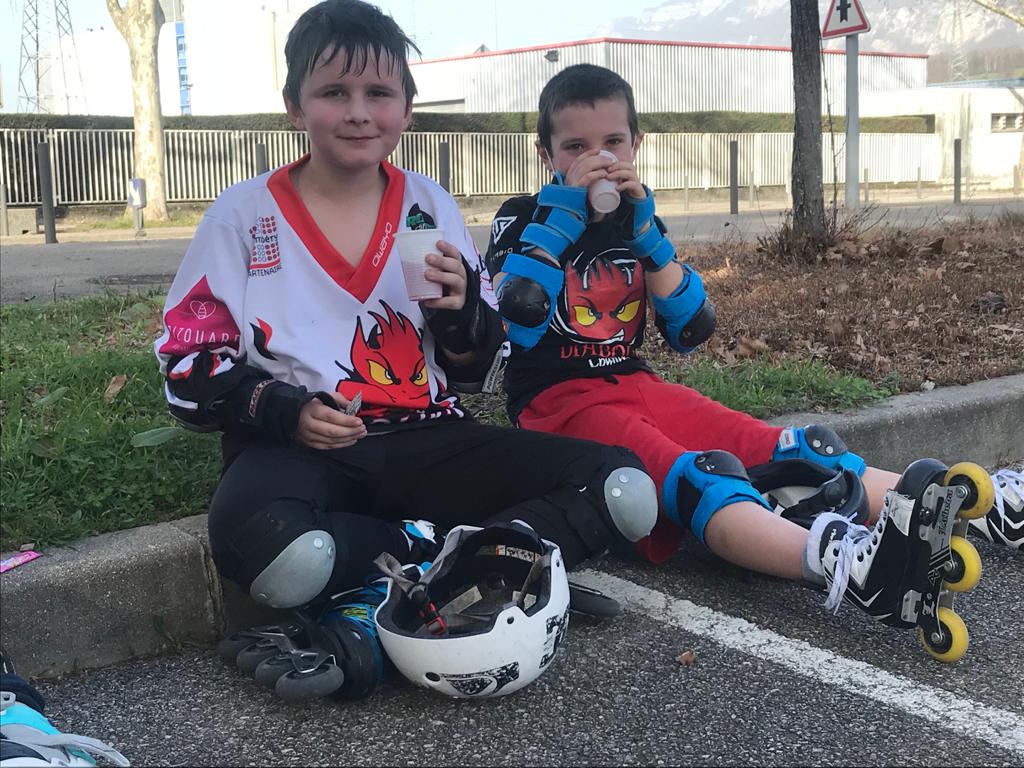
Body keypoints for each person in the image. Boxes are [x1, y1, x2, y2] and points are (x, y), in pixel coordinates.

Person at [154, 5, 657, 702]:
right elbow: (186, 370)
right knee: (278, 553)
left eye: (379, 93)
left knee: (623, 488)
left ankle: (391, 585)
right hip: (303, 453)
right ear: (295, 106)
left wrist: (463, 315)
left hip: (429, 439)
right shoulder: (242, 216)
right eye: (334, 93)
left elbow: (481, 370)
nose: (359, 112)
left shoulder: (429, 205)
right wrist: (285, 409)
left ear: (407, 109)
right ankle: (479, 563)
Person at [484, 63, 1022, 661]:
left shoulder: (636, 220)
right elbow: (510, 323)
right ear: (546, 153)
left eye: (613, 141)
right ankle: (843, 566)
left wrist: (649, 238)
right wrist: (560, 219)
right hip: (559, 405)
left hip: (634, 382)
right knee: (701, 476)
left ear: (636, 143)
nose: (598, 159)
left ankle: (965, 508)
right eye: (576, 147)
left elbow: (691, 328)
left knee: (793, 450)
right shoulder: (522, 217)